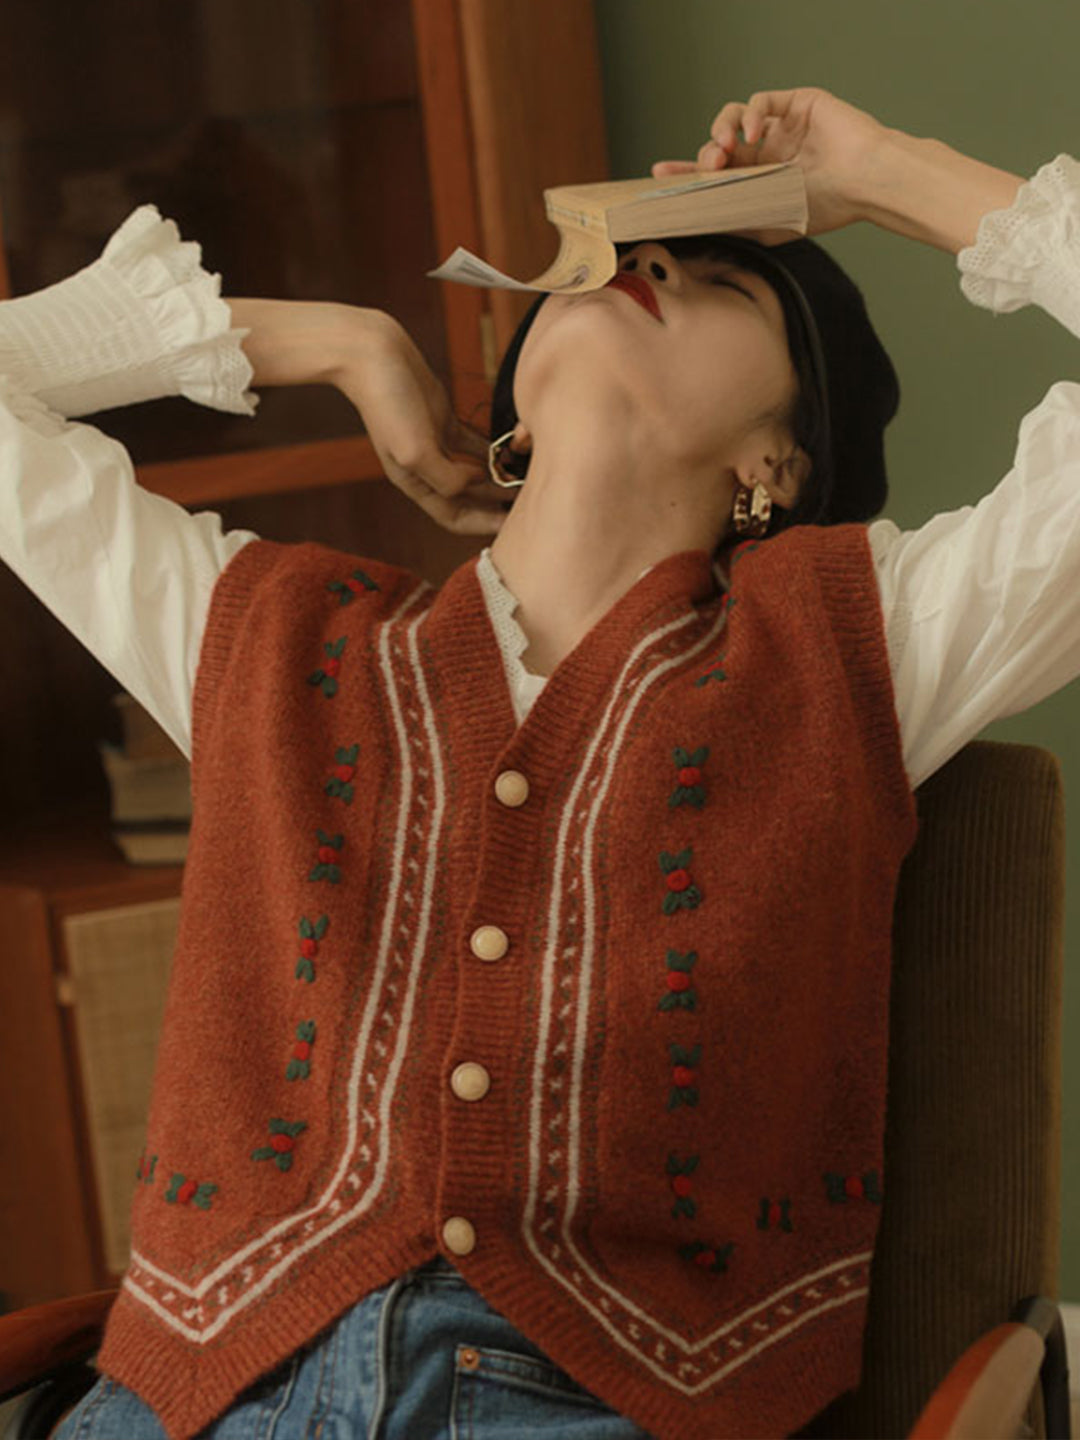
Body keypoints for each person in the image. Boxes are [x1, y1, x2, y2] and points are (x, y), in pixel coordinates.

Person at [0, 85, 1072, 1440]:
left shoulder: (859, 649)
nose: (648, 262)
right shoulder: (262, 637)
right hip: (195, 1404)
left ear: (782, 460)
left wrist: (883, 171)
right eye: (621, 254)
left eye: (726, 276)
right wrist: (341, 341)